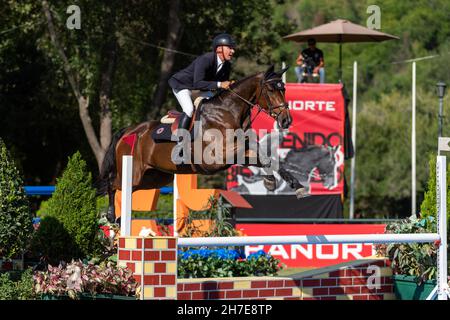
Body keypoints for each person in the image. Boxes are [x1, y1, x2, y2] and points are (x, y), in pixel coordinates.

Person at [168, 33, 236, 142]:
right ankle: (180, 142)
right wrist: (220, 84)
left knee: (215, 107)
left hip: (201, 89)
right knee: (189, 109)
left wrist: (229, 86)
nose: (233, 51)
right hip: (183, 85)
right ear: (219, 49)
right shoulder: (205, 59)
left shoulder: (227, 65)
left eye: (233, 49)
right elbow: (198, 83)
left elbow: (222, 85)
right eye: (230, 48)